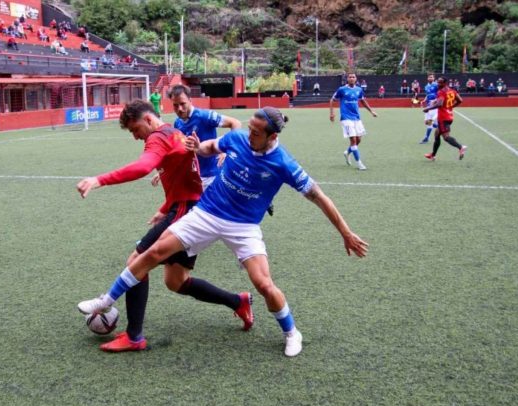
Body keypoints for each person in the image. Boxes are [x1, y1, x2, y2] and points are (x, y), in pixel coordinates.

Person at [78, 106, 369, 357]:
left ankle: (292, 332)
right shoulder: (238, 138)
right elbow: (210, 147)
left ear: (273, 137)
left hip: (243, 226)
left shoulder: (285, 164)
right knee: (153, 253)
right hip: (206, 213)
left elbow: (319, 197)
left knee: (264, 284)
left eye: (257, 133)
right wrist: (198, 148)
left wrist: (345, 232)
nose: (249, 134)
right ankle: (106, 301)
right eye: (251, 128)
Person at [75, 100, 254, 352]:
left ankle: (134, 336)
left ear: (148, 120)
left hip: (186, 211)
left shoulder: (158, 137)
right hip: (191, 208)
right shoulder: (175, 133)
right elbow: (183, 175)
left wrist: (99, 180)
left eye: (135, 129)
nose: (136, 137)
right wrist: (164, 209)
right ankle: (237, 301)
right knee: (176, 281)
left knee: (136, 261)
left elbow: (143, 166)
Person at [167, 85, 241, 188]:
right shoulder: (177, 123)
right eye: (175, 105)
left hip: (212, 176)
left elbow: (235, 123)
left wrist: (228, 150)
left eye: (183, 104)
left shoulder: (204, 116)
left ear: (190, 100)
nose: (179, 109)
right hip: (193, 176)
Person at [330, 72, 378, 171]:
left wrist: (371, 111)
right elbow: (332, 100)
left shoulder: (359, 90)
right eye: (350, 77)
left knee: (359, 140)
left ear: (356, 79)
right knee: (353, 141)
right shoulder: (342, 89)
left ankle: (347, 152)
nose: (352, 78)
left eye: (353, 77)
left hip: (356, 118)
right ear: (347, 79)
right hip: (346, 118)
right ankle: (360, 163)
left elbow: (363, 101)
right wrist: (331, 113)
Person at [423, 76, 468, 161]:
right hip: (449, 116)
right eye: (438, 82)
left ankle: (461, 147)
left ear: (445, 83)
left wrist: (427, 108)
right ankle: (433, 155)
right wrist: (450, 107)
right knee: (437, 134)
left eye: (440, 82)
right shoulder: (452, 91)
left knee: (446, 137)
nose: (438, 84)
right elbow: (460, 100)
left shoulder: (441, 92)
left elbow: (439, 104)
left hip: (443, 118)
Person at [418, 74, 439, 144]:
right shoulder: (426, 86)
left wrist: (435, 100)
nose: (430, 78)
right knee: (427, 122)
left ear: (434, 78)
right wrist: (424, 100)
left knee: (430, 122)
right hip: (428, 105)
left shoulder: (436, 85)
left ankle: (426, 138)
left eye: (432, 77)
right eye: (429, 77)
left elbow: (440, 94)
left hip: (434, 105)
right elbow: (427, 95)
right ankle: (439, 126)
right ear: (427, 78)